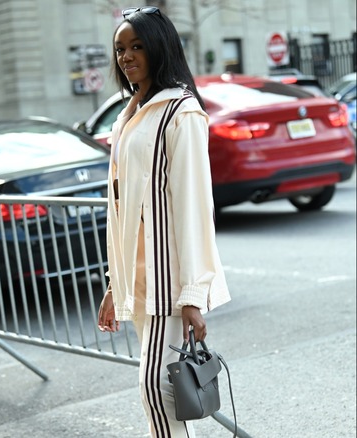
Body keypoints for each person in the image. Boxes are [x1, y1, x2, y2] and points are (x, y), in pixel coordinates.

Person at [97, 6, 231, 437]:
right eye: (120, 49)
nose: (127, 56)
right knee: (162, 391)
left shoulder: (181, 112)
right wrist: (113, 283)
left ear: (159, 47)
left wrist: (193, 292)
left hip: (168, 277)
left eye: (137, 46)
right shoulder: (129, 114)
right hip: (136, 277)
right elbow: (122, 206)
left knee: (156, 386)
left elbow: (194, 203)